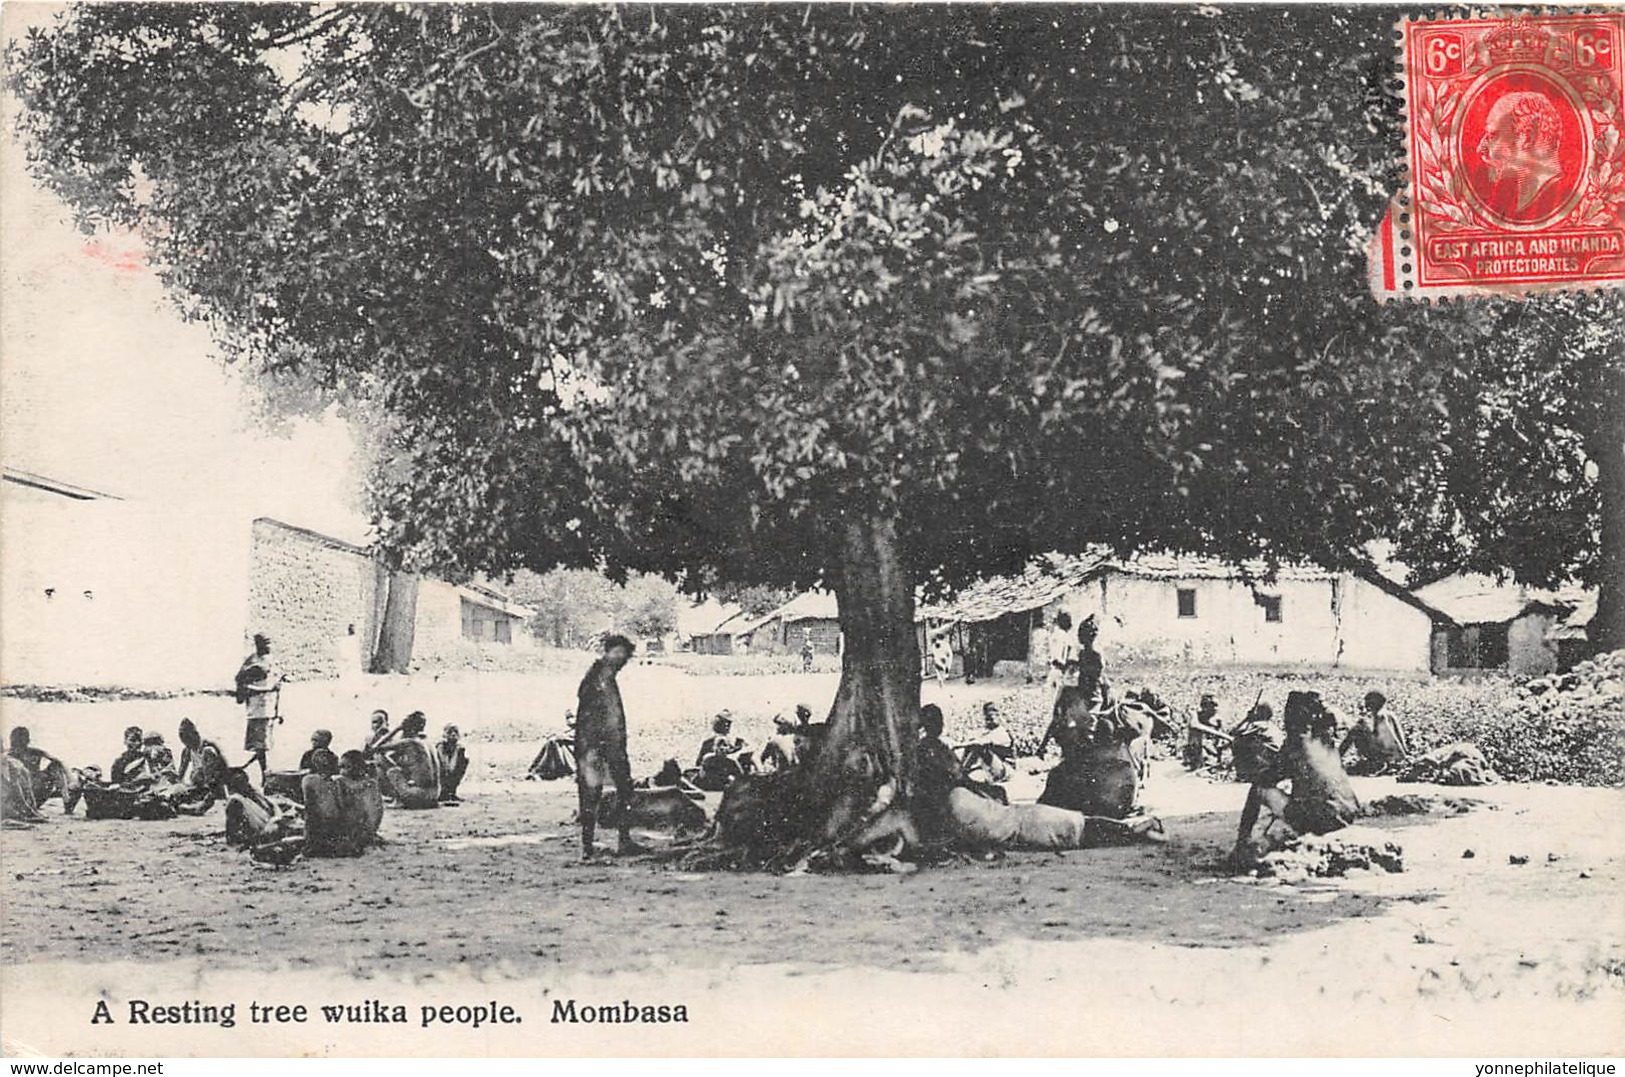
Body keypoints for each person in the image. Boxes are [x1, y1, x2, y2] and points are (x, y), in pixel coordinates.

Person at [1233, 690, 1362, 869]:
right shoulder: (1326, 739)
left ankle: (1241, 845)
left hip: (1322, 820)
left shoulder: (1295, 742)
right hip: (1347, 813)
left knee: (1257, 790)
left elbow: (1268, 778)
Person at [574, 634, 646, 859]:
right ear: (608, 652)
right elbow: (599, 715)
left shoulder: (602, 675)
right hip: (597, 744)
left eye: (624, 655)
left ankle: (614, 842)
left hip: (603, 744)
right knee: (593, 794)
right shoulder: (600, 676)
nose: (622, 659)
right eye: (618, 653)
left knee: (618, 791)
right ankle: (590, 847)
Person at [303, 750, 384, 857]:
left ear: (358, 768)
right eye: (340, 767)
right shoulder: (343, 783)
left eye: (346, 767)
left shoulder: (356, 784)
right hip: (358, 832)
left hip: (357, 834)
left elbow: (373, 814)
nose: (342, 772)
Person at [235, 633, 282, 781]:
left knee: (262, 745)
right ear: (258, 644)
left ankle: (262, 772)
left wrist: (278, 711)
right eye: (265, 644)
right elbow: (240, 681)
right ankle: (264, 772)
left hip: (267, 708)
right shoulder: (251, 660)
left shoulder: (271, 660)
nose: (268, 647)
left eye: (269, 643)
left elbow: (277, 686)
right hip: (256, 709)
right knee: (260, 745)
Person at [375, 712, 441, 809]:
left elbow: (376, 748)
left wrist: (397, 729)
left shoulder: (409, 742)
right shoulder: (427, 742)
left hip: (418, 797)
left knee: (382, 760)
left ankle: (398, 800)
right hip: (435, 796)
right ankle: (401, 796)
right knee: (403, 765)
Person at [5, 727, 78, 815]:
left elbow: (59, 762)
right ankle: (67, 798)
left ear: (27, 740)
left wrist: (71, 780)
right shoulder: (7, 756)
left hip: (36, 791)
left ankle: (67, 802)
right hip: (20, 797)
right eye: (17, 741)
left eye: (21, 740)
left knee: (55, 766)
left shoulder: (35, 752)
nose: (18, 744)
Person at [165, 718, 229, 814]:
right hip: (199, 785)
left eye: (187, 738)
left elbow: (224, 768)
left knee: (200, 770)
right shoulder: (187, 751)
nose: (186, 742)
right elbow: (181, 773)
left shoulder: (208, 747)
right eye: (183, 739)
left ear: (195, 735)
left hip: (213, 784)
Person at [1340, 691, 1410, 776]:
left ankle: (1336, 758)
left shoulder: (1380, 716)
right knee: (1358, 729)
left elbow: (1387, 741)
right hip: (1396, 756)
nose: (1366, 706)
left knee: (1356, 731)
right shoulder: (1389, 714)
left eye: (1368, 702)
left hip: (1387, 757)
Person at [959, 702, 1015, 783]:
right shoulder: (987, 732)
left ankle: (962, 772)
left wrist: (958, 745)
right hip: (993, 768)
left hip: (1006, 769)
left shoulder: (1002, 732)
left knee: (979, 747)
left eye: (991, 719)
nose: (989, 722)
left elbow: (982, 743)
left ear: (998, 717)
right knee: (971, 747)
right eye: (987, 719)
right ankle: (962, 770)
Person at [693, 712, 747, 792]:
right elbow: (700, 767)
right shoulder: (709, 746)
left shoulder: (733, 748)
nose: (727, 726)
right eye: (725, 724)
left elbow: (740, 776)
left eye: (728, 724)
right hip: (710, 781)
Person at [1183, 694, 1231, 770]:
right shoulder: (1195, 715)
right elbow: (1194, 725)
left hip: (1212, 749)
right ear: (1204, 707)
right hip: (1197, 748)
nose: (1215, 708)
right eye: (1212, 705)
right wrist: (1224, 736)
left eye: (1216, 705)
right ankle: (1197, 761)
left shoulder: (1218, 719)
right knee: (1198, 733)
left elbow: (1223, 737)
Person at [528, 711, 577, 780]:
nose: (569, 720)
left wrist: (562, 738)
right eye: (567, 718)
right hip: (566, 750)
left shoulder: (585, 729)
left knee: (555, 742)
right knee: (551, 742)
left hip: (576, 753)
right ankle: (538, 769)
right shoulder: (568, 731)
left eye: (572, 717)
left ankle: (540, 770)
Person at [1045, 612, 1075, 711]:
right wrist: (1064, 667)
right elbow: (1056, 657)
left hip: (1058, 669)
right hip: (1059, 670)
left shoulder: (1060, 635)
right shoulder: (1060, 636)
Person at [436, 724, 469, 803]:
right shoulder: (441, 746)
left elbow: (455, 766)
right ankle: (443, 792)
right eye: (450, 732)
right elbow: (445, 764)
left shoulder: (459, 748)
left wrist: (457, 751)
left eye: (455, 732)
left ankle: (452, 791)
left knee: (464, 760)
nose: (453, 735)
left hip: (451, 770)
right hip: (442, 772)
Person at [1075, 615, 1104, 704]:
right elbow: (1099, 672)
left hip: (1085, 690)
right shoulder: (1095, 654)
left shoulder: (1082, 653)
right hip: (1091, 691)